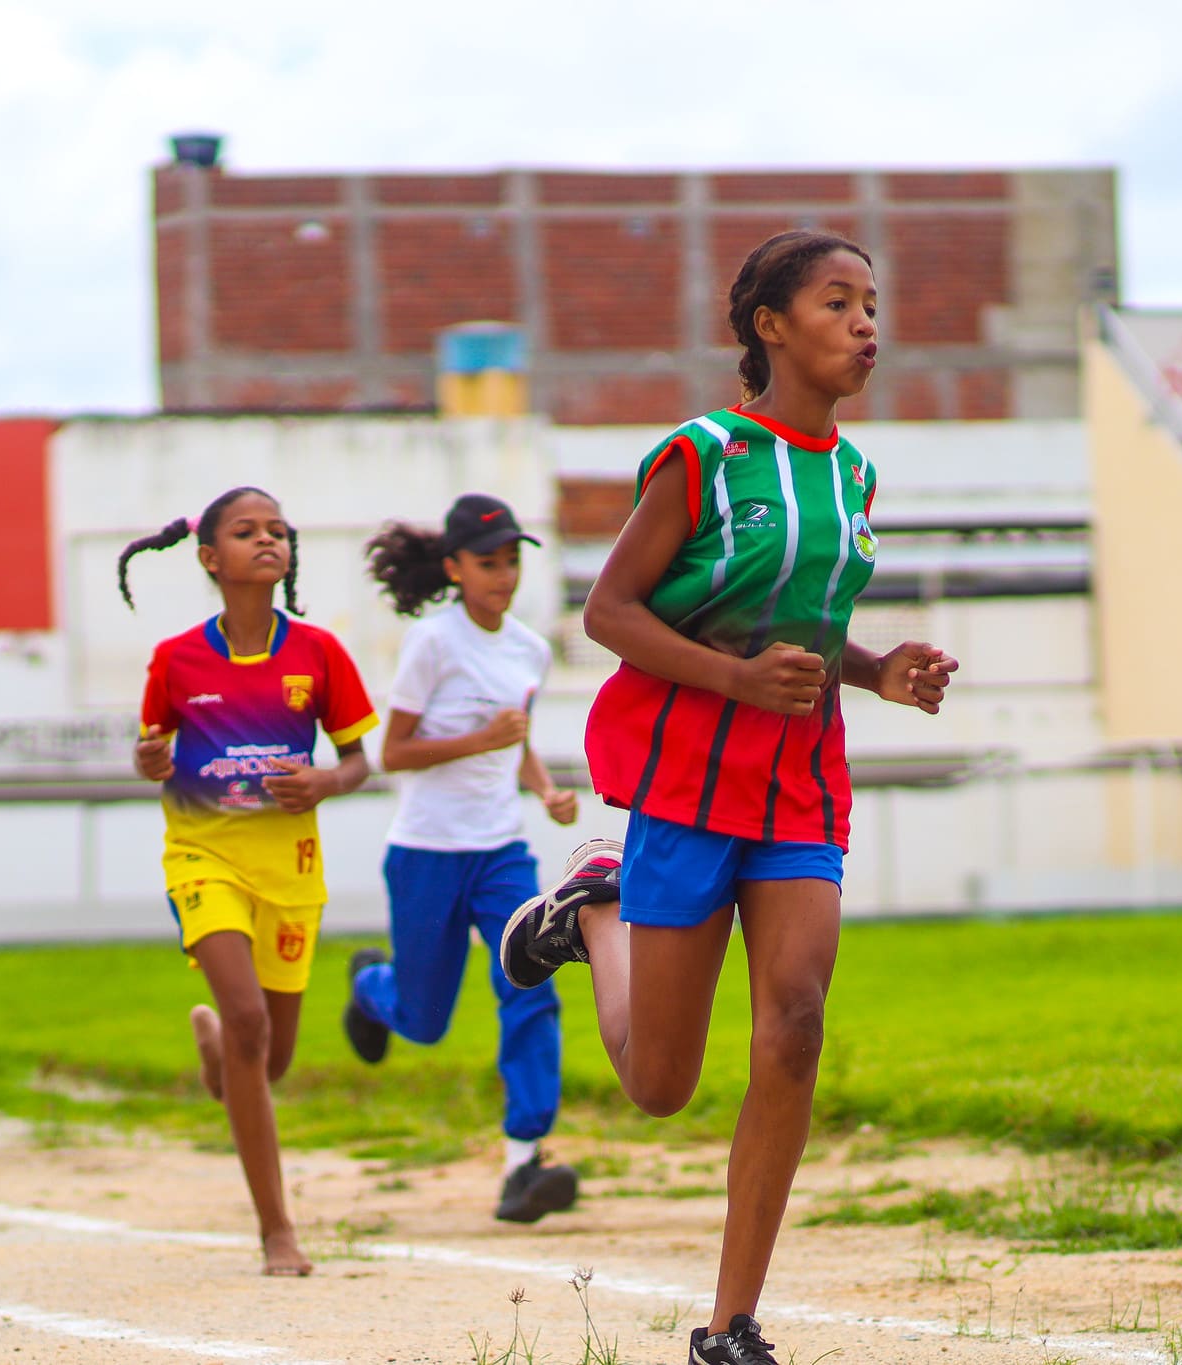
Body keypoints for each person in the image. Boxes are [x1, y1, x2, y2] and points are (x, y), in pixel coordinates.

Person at [497, 230, 960, 1365]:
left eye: (871, 303)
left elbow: (803, 625)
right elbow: (609, 613)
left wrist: (873, 670)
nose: (865, 324)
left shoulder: (852, 473)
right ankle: (594, 915)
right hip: (686, 780)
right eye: (837, 303)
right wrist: (736, 679)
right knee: (660, 1084)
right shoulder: (702, 455)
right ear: (770, 325)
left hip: (798, 788)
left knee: (794, 1023)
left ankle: (728, 1323)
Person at [122, 486, 377, 1276]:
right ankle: (278, 1231)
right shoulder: (175, 659)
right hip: (203, 857)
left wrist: (325, 781)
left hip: (290, 872)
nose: (267, 540)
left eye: (277, 530)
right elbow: (151, 751)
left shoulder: (320, 652)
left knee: (266, 1060)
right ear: (210, 557)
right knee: (247, 1017)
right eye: (246, 531)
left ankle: (218, 1058)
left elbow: (359, 761)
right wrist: (149, 760)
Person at [349, 494, 581, 1224]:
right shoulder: (432, 642)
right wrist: (481, 741)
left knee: (530, 985)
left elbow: (516, 738)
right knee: (424, 1021)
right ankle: (371, 985)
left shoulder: (529, 649)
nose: (503, 575)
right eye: (488, 563)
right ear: (454, 568)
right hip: (426, 852)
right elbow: (394, 752)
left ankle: (525, 1160)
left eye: (512, 560)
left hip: (501, 851)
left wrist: (544, 789)